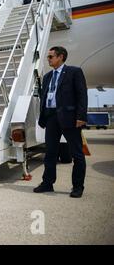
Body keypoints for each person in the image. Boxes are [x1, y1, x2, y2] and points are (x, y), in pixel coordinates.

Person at [34, 46, 88, 198]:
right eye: (48, 57)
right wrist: (43, 116)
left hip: (69, 118)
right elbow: (45, 97)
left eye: (51, 57)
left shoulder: (74, 72)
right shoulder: (47, 76)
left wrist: (81, 116)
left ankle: (77, 187)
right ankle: (47, 183)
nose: (48, 59)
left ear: (61, 57)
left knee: (77, 153)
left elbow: (82, 95)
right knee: (50, 152)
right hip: (51, 118)